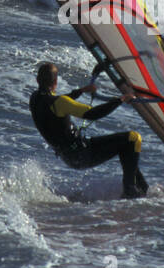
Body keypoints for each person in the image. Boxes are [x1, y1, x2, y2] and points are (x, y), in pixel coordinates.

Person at [29, 61, 149, 198]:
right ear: (55, 81)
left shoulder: (34, 98)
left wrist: (80, 91)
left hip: (69, 156)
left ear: (37, 80)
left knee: (125, 145)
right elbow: (93, 113)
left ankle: (140, 188)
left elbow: (58, 101)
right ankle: (130, 190)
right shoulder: (59, 103)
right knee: (133, 139)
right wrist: (120, 100)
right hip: (83, 153)